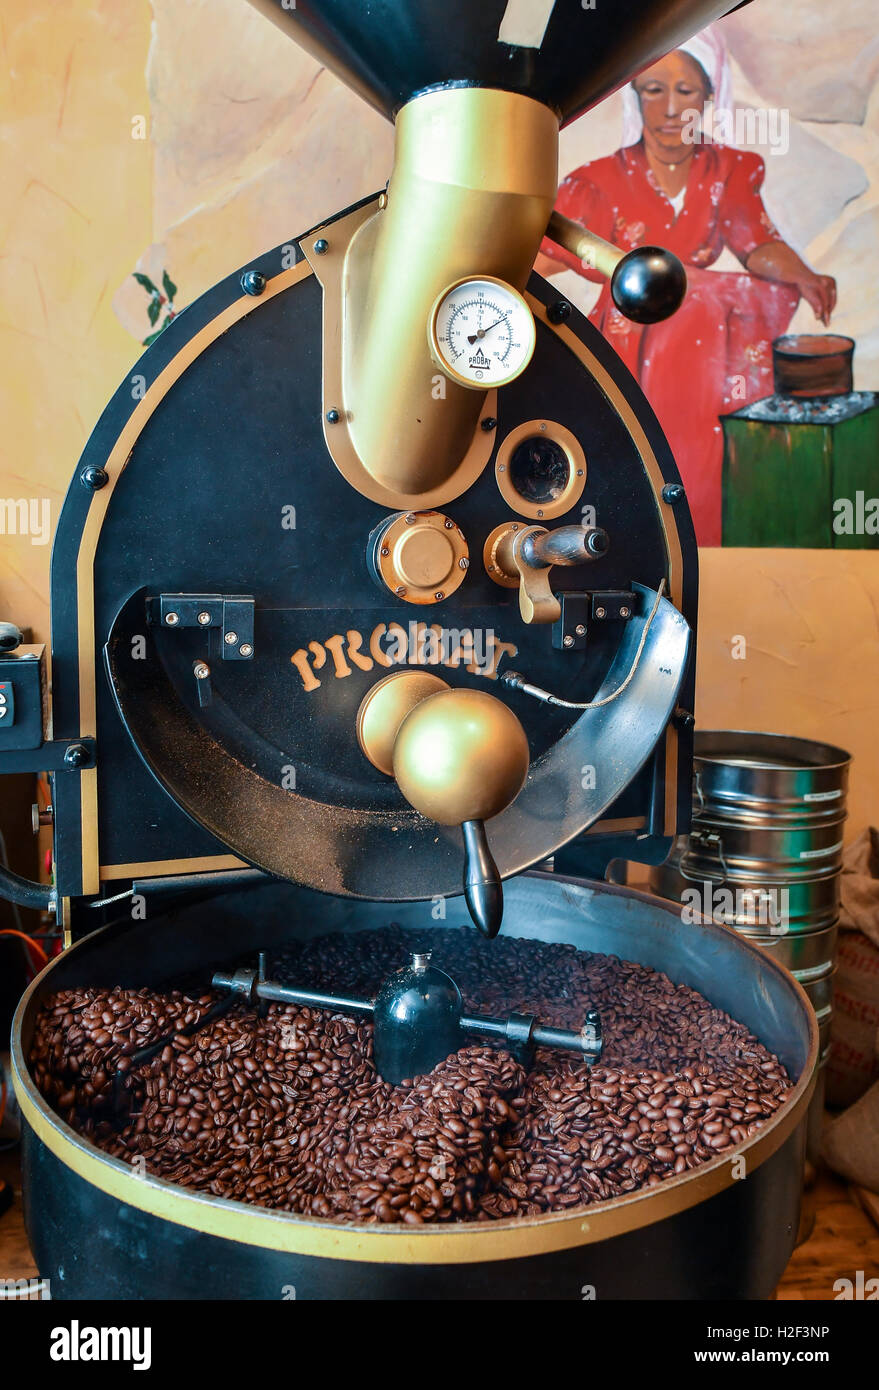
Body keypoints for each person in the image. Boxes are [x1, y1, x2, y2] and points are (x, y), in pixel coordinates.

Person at [536, 28, 836, 546]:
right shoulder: (600, 180)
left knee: (700, 301)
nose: (671, 107)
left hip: (705, 350)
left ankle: (703, 545)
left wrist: (803, 276)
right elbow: (551, 255)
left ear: (709, 95)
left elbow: (756, 243)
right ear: (636, 97)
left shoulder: (729, 170)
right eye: (653, 89)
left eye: (686, 91)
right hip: (628, 339)